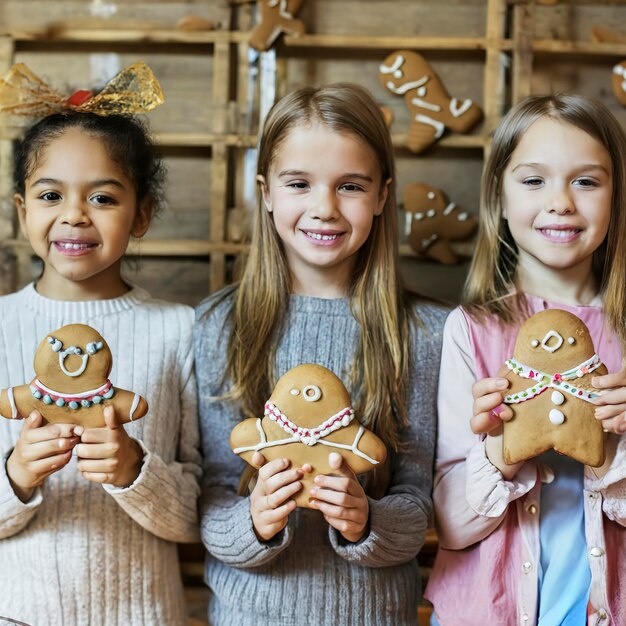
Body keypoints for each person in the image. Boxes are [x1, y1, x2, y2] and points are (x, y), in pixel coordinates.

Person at [195, 83, 447, 625]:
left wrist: (367, 521)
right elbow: (212, 491)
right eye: (299, 183)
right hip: (248, 615)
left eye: (350, 185)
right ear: (265, 191)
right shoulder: (220, 325)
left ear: (382, 194)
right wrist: (255, 521)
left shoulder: (426, 332)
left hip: (375, 614)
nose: (324, 208)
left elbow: (417, 498)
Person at [425, 94, 626, 626]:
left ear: (618, 195)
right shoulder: (472, 331)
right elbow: (451, 525)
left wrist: (614, 451)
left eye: (587, 181)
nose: (560, 202)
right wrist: (500, 452)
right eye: (533, 181)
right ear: (500, 195)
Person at [0, 103, 201, 624]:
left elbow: (198, 514)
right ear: (23, 211)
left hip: (145, 614)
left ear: (141, 214)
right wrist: (17, 474)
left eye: (103, 197)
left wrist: (135, 470)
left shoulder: (180, 330)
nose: (73, 215)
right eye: (50, 195)